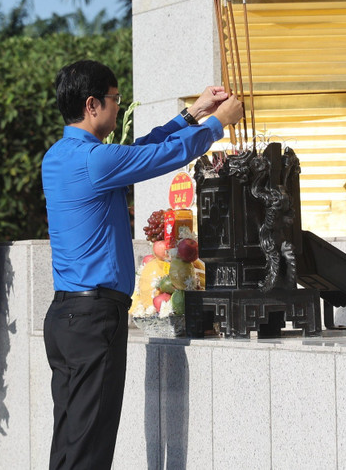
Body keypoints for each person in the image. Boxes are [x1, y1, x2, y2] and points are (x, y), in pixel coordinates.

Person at [41, 59, 243, 469]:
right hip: (94, 317)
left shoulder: (60, 156)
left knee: (71, 443)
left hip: (67, 317)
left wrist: (191, 114)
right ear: (93, 104)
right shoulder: (94, 162)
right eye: (115, 100)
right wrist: (217, 123)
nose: (118, 108)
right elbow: (160, 157)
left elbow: (138, 150)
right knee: (88, 452)